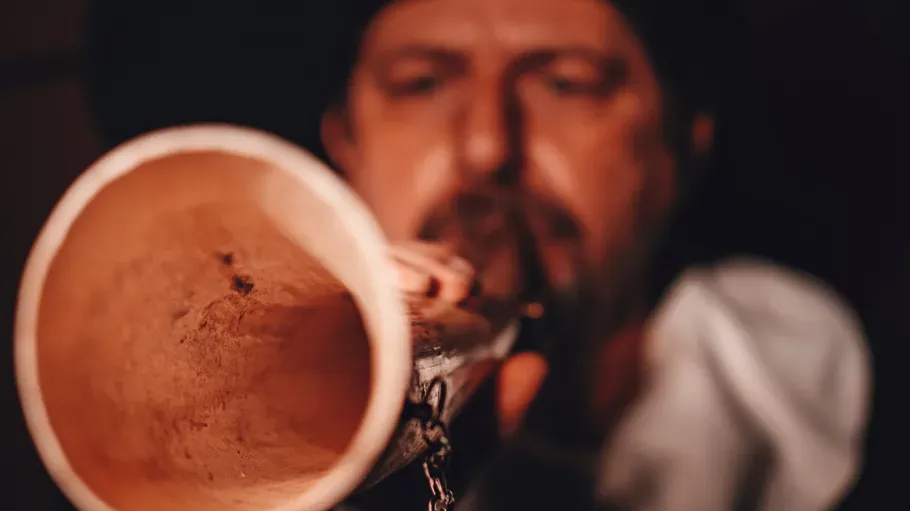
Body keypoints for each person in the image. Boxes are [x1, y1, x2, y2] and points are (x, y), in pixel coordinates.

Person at [83, 0, 872, 509]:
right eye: (422, 83)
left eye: (565, 83)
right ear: (344, 143)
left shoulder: (845, 399)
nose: (488, 144)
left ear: (680, 149)